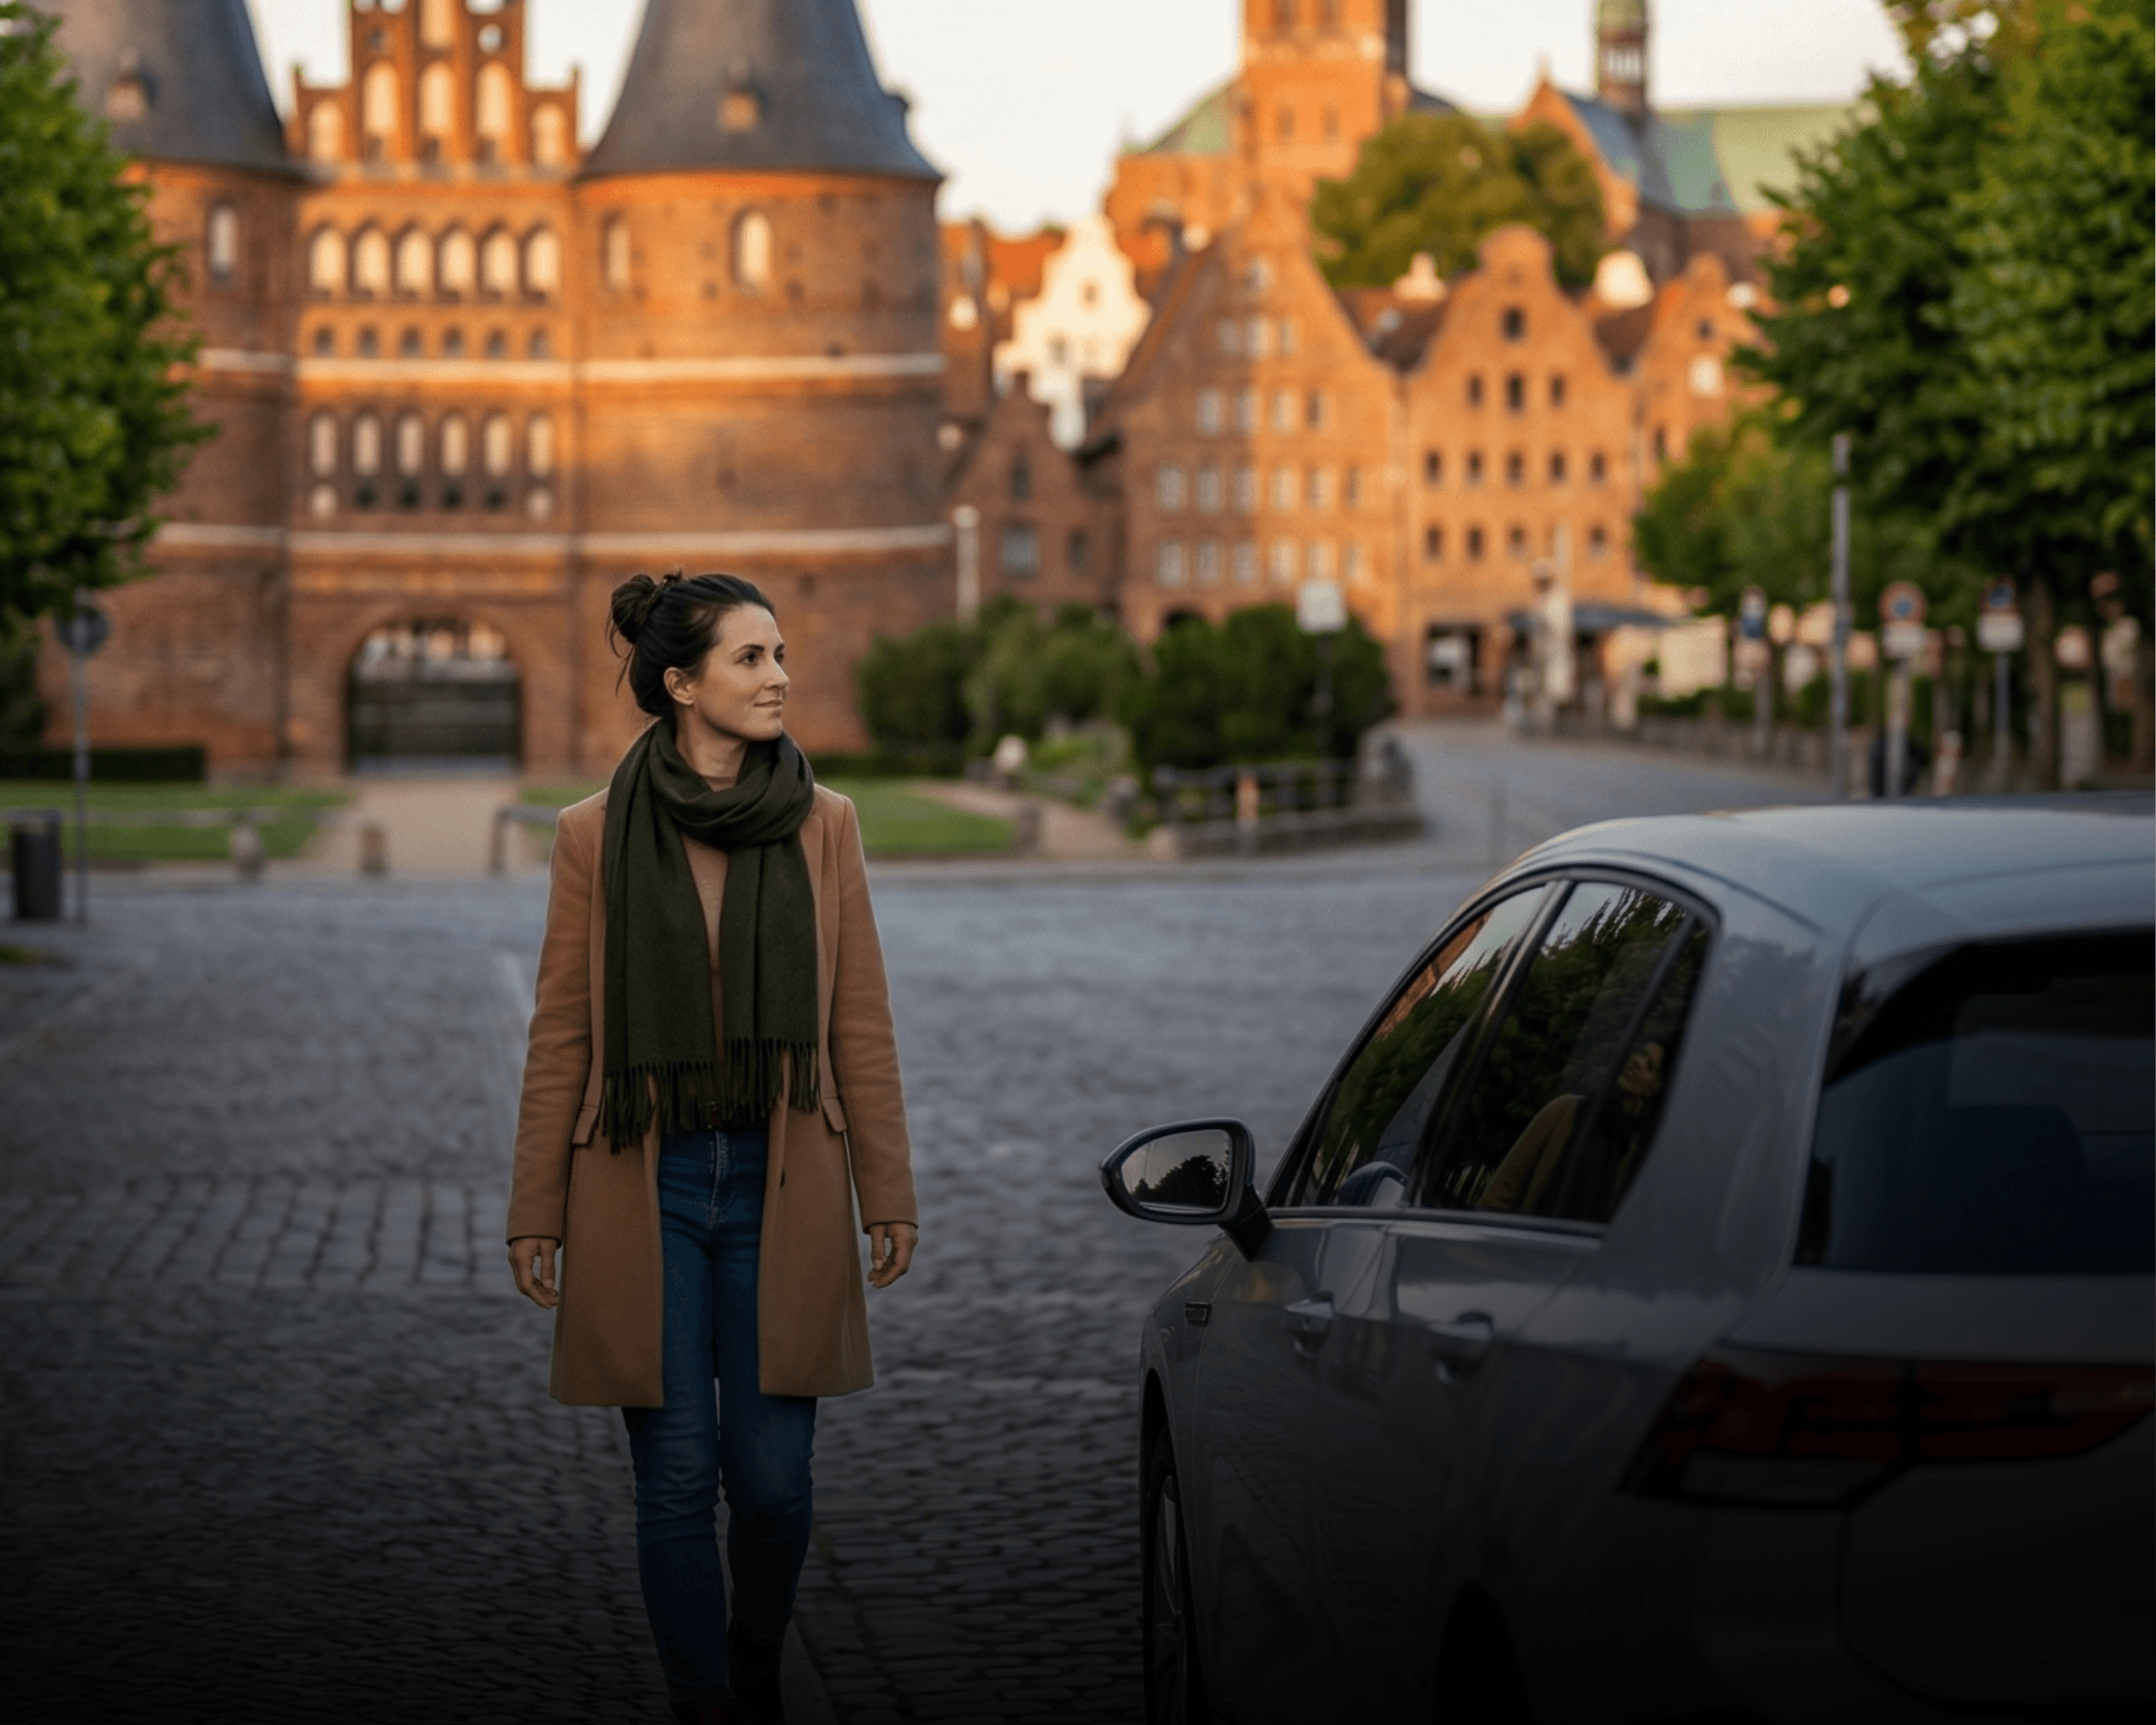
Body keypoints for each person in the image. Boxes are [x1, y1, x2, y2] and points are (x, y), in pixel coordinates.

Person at [506, 572, 918, 1725]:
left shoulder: (825, 824)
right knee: (678, 1479)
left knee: (776, 1490)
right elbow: (564, 1033)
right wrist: (535, 1209)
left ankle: (751, 1656)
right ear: (680, 685)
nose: (780, 675)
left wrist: (887, 1189)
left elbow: (860, 1022)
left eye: (780, 653)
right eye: (750, 659)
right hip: (649, 1183)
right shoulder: (592, 836)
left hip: (784, 1181)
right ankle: (708, 1708)